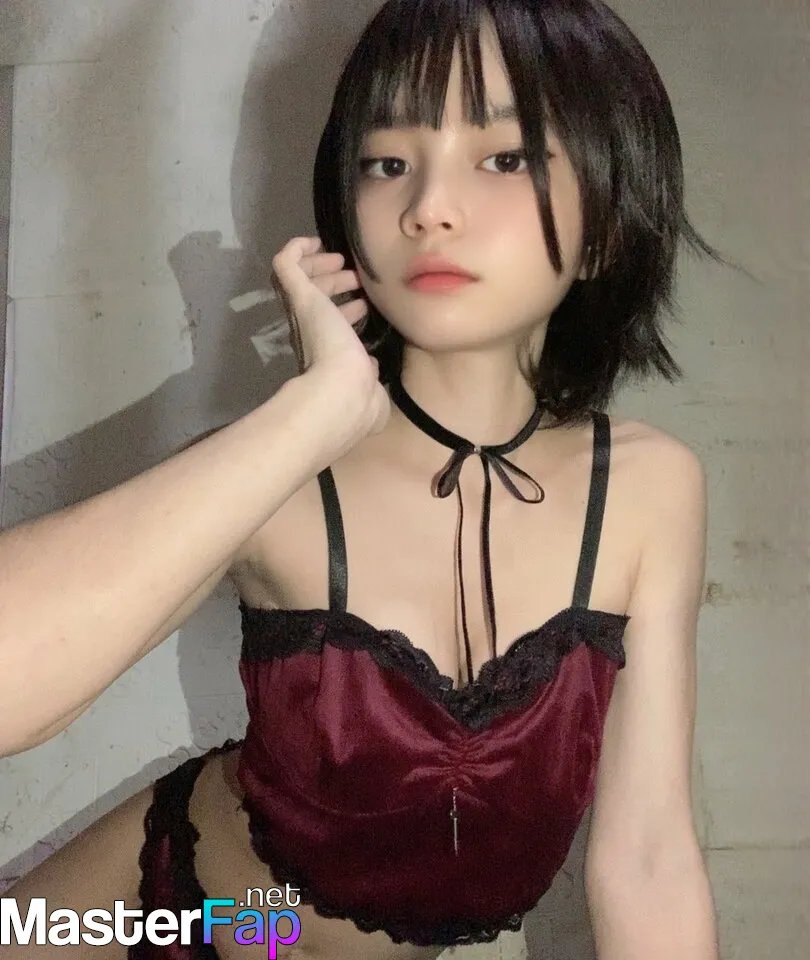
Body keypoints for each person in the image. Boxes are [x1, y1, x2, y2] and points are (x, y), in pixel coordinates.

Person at [1, 0, 722, 956]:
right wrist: (316, 411)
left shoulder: (649, 491)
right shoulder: (280, 466)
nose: (428, 205)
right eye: (387, 162)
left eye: (505, 157)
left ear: (606, 228)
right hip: (163, 912)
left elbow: (649, 861)